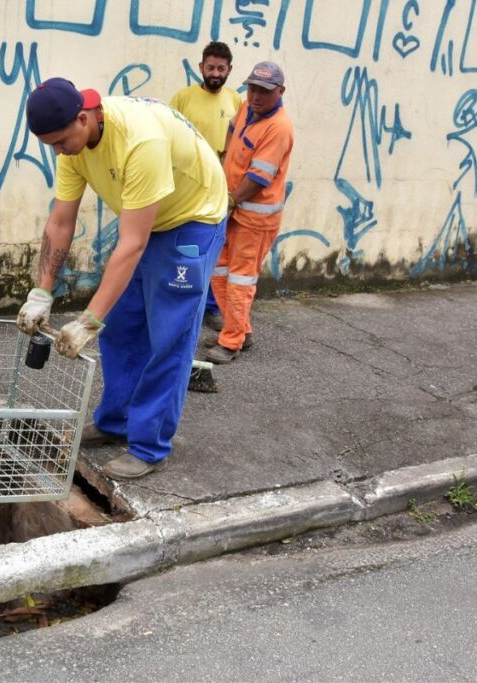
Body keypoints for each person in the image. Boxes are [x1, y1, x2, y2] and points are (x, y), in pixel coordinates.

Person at [17, 78, 228, 480]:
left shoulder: (138, 141)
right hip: (150, 216)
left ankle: (149, 446)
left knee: (169, 333)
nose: (58, 151)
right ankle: (116, 421)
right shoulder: (72, 144)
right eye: (51, 146)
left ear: (84, 117)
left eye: (61, 141)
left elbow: (132, 244)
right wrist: (41, 290)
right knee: (121, 325)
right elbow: (61, 222)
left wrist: (86, 320)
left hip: (192, 217)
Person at [205, 61, 294, 364]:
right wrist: (225, 157)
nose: (256, 96)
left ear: (280, 92)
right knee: (218, 271)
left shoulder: (278, 127)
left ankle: (231, 342)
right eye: (252, 88)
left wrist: (229, 202)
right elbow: (233, 127)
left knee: (240, 279)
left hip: (254, 218)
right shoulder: (247, 107)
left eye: (264, 92)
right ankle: (240, 329)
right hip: (232, 207)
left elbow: (259, 178)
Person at [169, 41, 242, 333]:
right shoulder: (183, 98)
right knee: (182, 246)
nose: (215, 73)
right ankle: (178, 302)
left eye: (221, 68)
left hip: (220, 187)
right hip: (186, 185)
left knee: (213, 248)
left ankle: (211, 308)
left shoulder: (236, 100)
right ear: (201, 67)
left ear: (229, 70)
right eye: (210, 67)